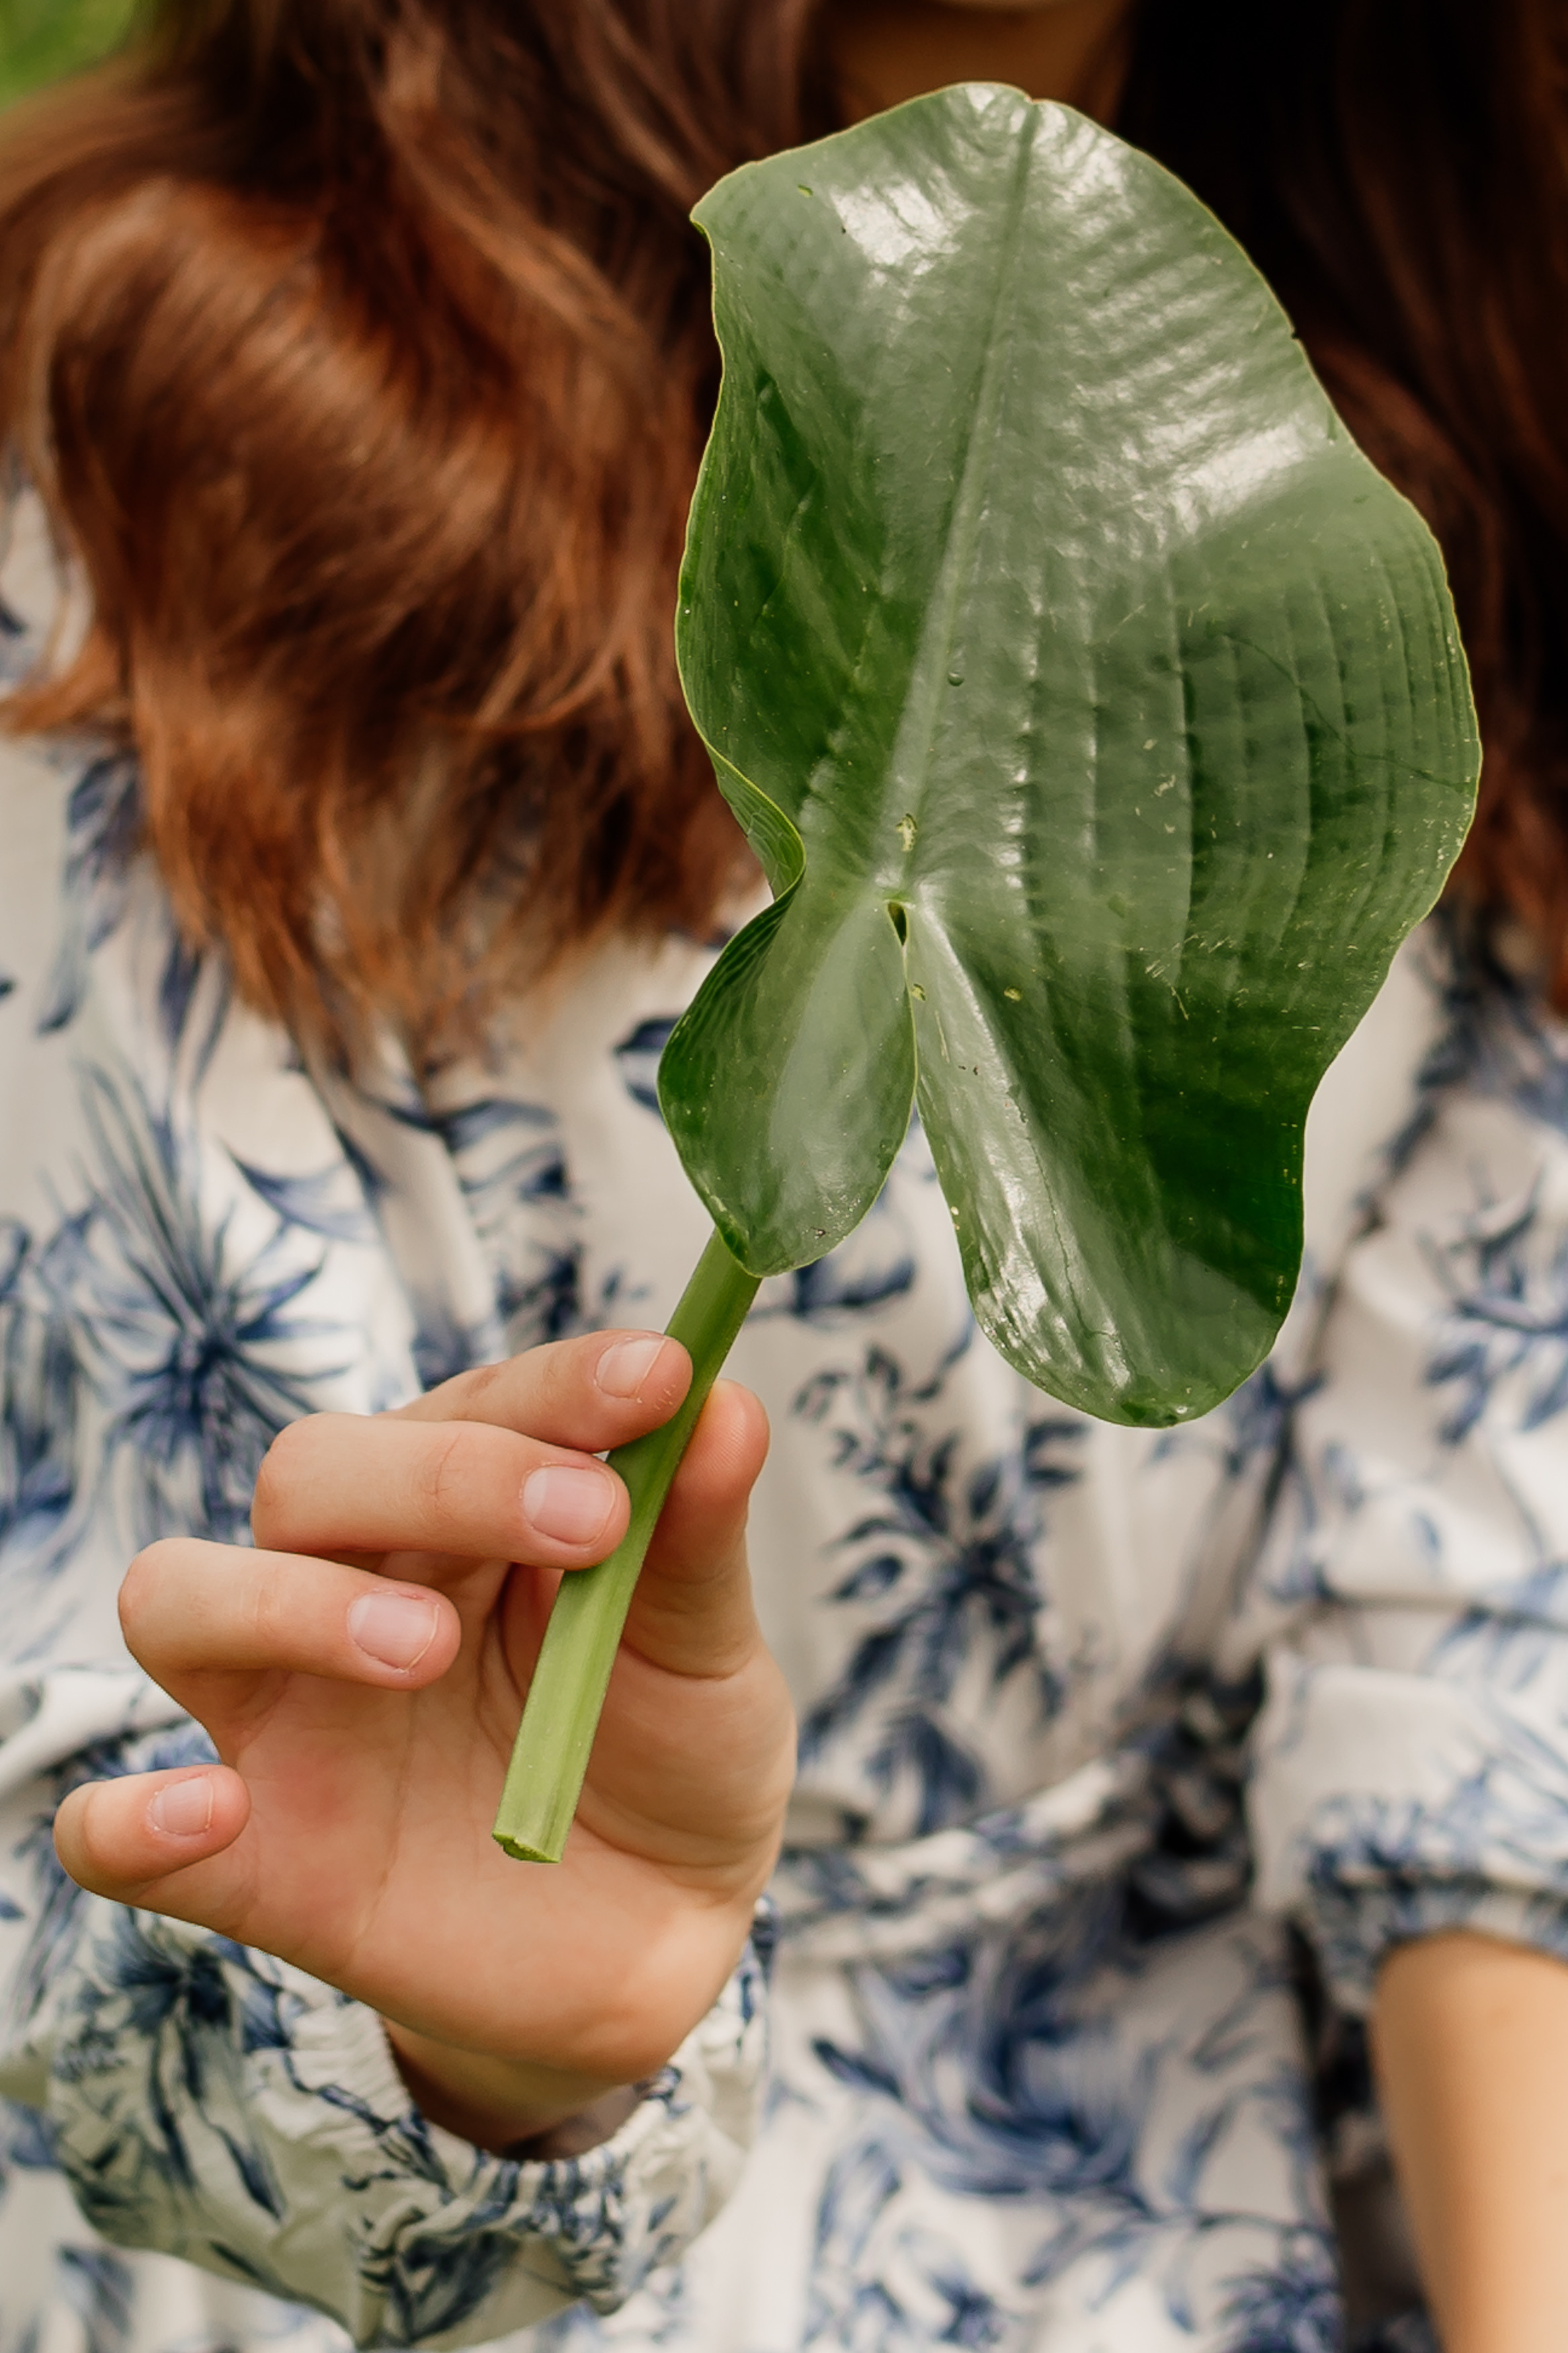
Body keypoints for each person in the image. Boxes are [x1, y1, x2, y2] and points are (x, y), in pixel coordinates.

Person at [1, 2, 1567, 2348]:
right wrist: (508, 2051)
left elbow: (1482, 1585)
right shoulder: (136, 433)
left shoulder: (1468, 328)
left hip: (1217, 2194)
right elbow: (121, 1773)